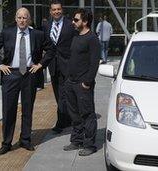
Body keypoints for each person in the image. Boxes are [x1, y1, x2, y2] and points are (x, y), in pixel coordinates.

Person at [0, 7, 55, 155]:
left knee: (27, 109)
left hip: (29, 75)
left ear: (29, 19)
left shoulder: (37, 34)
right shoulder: (7, 32)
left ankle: (25, 140)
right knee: (8, 110)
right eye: (19, 17)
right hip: (10, 75)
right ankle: (6, 143)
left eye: (25, 17)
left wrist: (40, 65)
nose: (22, 20)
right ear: (15, 18)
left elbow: (51, 49)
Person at [63, 9, 100, 156]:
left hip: (83, 84)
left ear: (85, 22)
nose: (73, 22)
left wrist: (87, 82)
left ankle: (90, 145)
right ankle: (77, 140)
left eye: (76, 20)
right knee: (74, 114)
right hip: (70, 82)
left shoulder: (92, 39)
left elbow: (94, 63)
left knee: (87, 115)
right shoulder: (76, 36)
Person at [43, 0, 77, 134]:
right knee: (58, 94)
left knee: (65, 93)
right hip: (53, 65)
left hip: (67, 64)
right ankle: (67, 118)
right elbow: (45, 44)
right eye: (54, 10)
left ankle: (61, 121)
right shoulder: (46, 25)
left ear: (62, 10)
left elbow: (76, 44)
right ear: (50, 11)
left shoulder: (71, 24)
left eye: (58, 9)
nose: (56, 11)